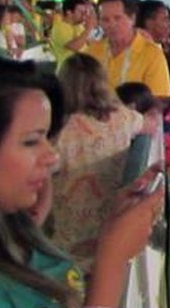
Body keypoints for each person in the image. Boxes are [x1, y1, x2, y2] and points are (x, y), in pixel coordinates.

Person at [0, 55, 162, 308]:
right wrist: (111, 259)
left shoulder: (14, 230)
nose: (51, 156)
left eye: (48, 136)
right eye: (31, 141)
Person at [51, 53, 149, 272]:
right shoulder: (123, 117)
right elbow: (149, 126)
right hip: (115, 237)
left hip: (71, 247)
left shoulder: (59, 135)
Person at [86, 0, 170, 98]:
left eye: (117, 18)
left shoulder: (152, 54)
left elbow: (160, 99)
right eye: (105, 20)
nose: (111, 25)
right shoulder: (92, 51)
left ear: (132, 18)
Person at [50, 0, 94, 70]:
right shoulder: (59, 27)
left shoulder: (79, 26)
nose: (84, 15)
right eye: (81, 12)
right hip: (68, 72)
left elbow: (90, 43)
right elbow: (74, 47)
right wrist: (88, 29)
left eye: (85, 12)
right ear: (69, 12)